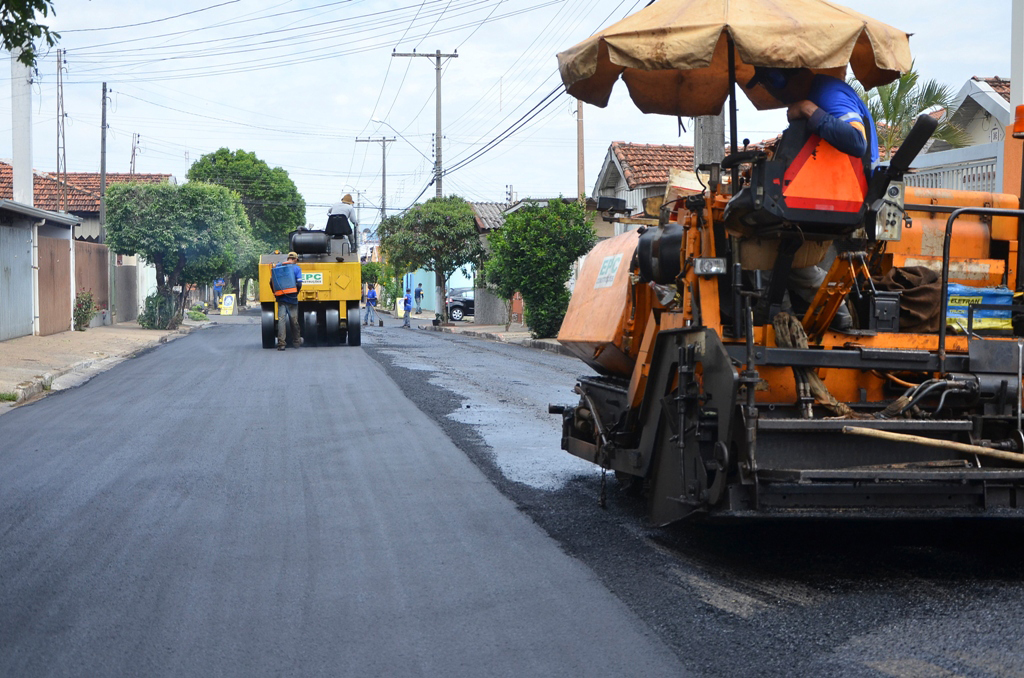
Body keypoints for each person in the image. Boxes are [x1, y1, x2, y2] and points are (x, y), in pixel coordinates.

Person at [745, 67, 871, 331]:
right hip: (820, 193)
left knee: (751, 241)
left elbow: (856, 141)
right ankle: (821, 314)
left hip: (841, 195)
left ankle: (778, 320)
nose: (775, 95)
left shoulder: (829, 93)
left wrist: (807, 109)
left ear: (786, 79)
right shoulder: (818, 93)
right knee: (783, 254)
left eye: (773, 87)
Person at [270, 251, 303, 350]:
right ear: (295, 259)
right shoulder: (296, 268)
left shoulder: (278, 266)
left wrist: (275, 293)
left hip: (281, 298)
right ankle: (296, 342)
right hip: (292, 299)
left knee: (281, 321)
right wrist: (295, 293)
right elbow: (299, 284)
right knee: (294, 321)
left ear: (288, 258)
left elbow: (271, 281)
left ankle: (281, 344)